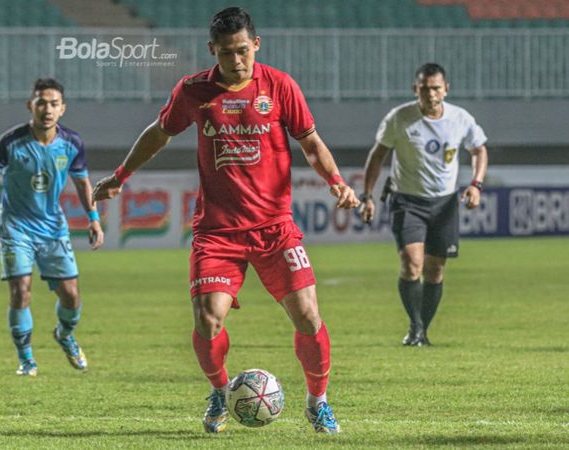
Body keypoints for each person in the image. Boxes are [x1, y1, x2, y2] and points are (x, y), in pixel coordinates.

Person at [93, 7, 358, 435]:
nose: (236, 61)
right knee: (207, 318)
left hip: (274, 229)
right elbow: (159, 132)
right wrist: (120, 176)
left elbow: (310, 141)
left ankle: (318, 401)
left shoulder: (280, 86)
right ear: (211, 50)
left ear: (256, 44)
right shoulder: (193, 91)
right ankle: (220, 391)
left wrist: (336, 182)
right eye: (226, 53)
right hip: (217, 233)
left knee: (308, 315)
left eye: (242, 51)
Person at [0, 78, 103, 377]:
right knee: (20, 292)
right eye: (41, 102)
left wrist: (93, 217)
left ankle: (64, 335)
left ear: (62, 109)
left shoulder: (72, 143)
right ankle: (26, 359)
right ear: (31, 105)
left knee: (71, 295)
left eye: (53, 103)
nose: (47, 109)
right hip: (16, 227)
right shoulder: (11, 142)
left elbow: (82, 182)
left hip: (53, 228)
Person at [359, 63, 488, 347]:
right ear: (415, 89)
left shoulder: (460, 118)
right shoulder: (400, 118)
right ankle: (415, 326)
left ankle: (422, 330)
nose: (430, 94)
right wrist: (367, 195)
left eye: (436, 88)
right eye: (424, 88)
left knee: (435, 270)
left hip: (444, 203)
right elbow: (377, 156)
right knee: (411, 263)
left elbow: (479, 149)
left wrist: (476, 184)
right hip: (407, 200)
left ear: (446, 89)